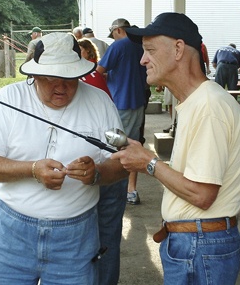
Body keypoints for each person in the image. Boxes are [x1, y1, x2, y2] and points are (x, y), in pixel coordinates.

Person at [0, 32, 128, 285]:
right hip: (10, 235)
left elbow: (122, 164)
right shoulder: (8, 98)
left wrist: (97, 173)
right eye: (51, 78)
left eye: (69, 78)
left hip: (76, 238)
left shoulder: (99, 101)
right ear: (34, 75)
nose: (61, 87)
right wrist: (32, 169)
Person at [114, 12, 240, 284]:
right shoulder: (196, 102)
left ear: (178, 49)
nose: (143, 60)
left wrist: (148, 163)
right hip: (197, 243)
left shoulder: (209, 106)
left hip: (201, 245)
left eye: (150, 50)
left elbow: (202, 194)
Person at [96, 17, 146, 285]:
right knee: (135, 145)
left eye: (113, 33)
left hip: (122, 103)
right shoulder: (139, 45)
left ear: (118, 30)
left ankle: (123, 191)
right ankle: (132, 191)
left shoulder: (118, 45)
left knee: (118, 151)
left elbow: (99, 71)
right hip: (139, 102)